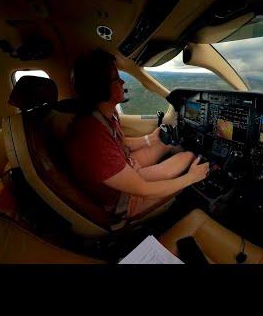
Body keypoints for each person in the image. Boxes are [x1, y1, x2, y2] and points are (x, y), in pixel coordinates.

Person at [65, 49, 209, 222]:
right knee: (188, 158)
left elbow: (120, 142)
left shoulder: (101, 115)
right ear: (100, 88)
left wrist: (151, 138)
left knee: (166, 143)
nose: (122, 81)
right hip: (123, 199)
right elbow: (143, 190)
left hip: (125, 173)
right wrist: (191, 178)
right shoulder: (91, 137)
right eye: (117, 79)